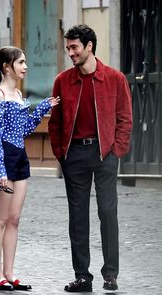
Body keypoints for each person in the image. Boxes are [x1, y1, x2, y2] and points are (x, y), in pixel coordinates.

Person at [48, 24, 133, 292]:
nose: (70, 53)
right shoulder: (62, 80)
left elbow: (125, 118)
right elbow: (56, 122)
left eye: (74, 48)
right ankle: (83, 276)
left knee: (108, 212)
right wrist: (62, 153)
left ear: (89, 46)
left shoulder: (115, 78)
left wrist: (116, 150)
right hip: (74, 154)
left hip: (105, 152)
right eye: (68, 48)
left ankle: (111, 274)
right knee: (78, 216)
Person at [0, 46, 59, 291]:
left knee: (14, 219)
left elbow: (23, 131)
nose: (25, 66)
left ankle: (10, 274)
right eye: (21, 62)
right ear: (7, 66)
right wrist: (0, 170)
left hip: (20, 156)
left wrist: (42, 108)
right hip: (3, 157)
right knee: (0, 219)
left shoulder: (18, 95)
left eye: (25, 62)